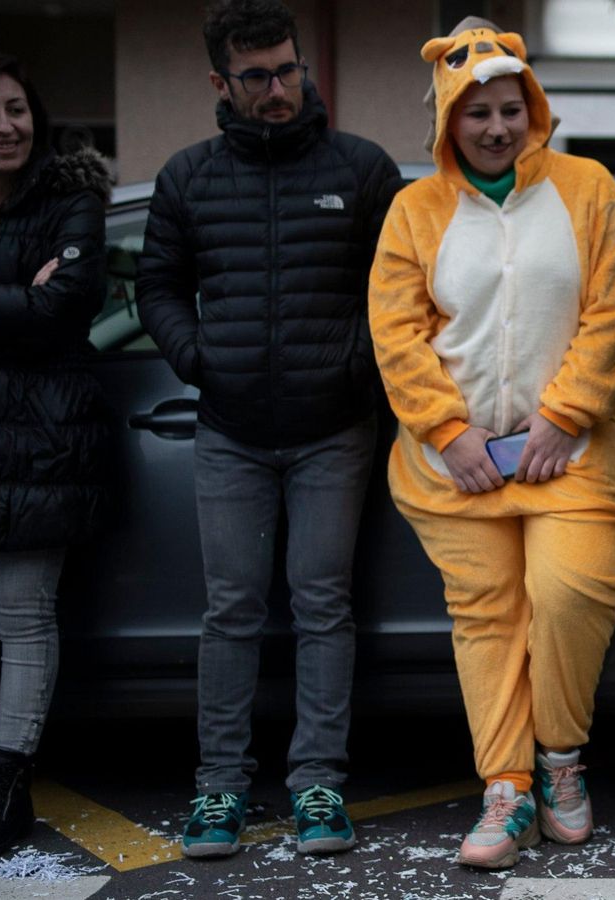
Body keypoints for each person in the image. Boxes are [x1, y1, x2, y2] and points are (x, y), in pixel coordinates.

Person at [368, 27, 615, 870]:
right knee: (486, 616)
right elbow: (397, 332)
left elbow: (611, 309)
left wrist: (566, 415)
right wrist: (449, 432)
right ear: (449, 121)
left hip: (572, 454)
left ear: (535, 110)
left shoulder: (587, 188)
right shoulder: (415, 210)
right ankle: (506, 787)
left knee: (572, 591)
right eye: (476, 112)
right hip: (460, 466)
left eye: (510, 109)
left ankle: (561, 759)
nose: (496, 128)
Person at [135, 0, 402, 860]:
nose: (279, 88)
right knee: (232, 610)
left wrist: (356, 367)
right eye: (257, 76)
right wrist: (198, 358)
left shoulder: (361, 168)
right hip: (231, 430)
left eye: (288, 69)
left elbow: (402, 287)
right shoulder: (188, 177)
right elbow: (157, 287)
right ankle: (219, 789)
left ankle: (318, 783)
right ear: (221, 83)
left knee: (323, 605)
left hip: (335, 429)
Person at [0, 52, 110, 859]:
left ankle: (6, 783)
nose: (5, 126)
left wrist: (41, 304)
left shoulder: (73, 199)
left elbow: (66, 306)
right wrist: (21, 303)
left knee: (21, 613)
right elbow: (34, 310)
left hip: (43, 436)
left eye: (16, 109)